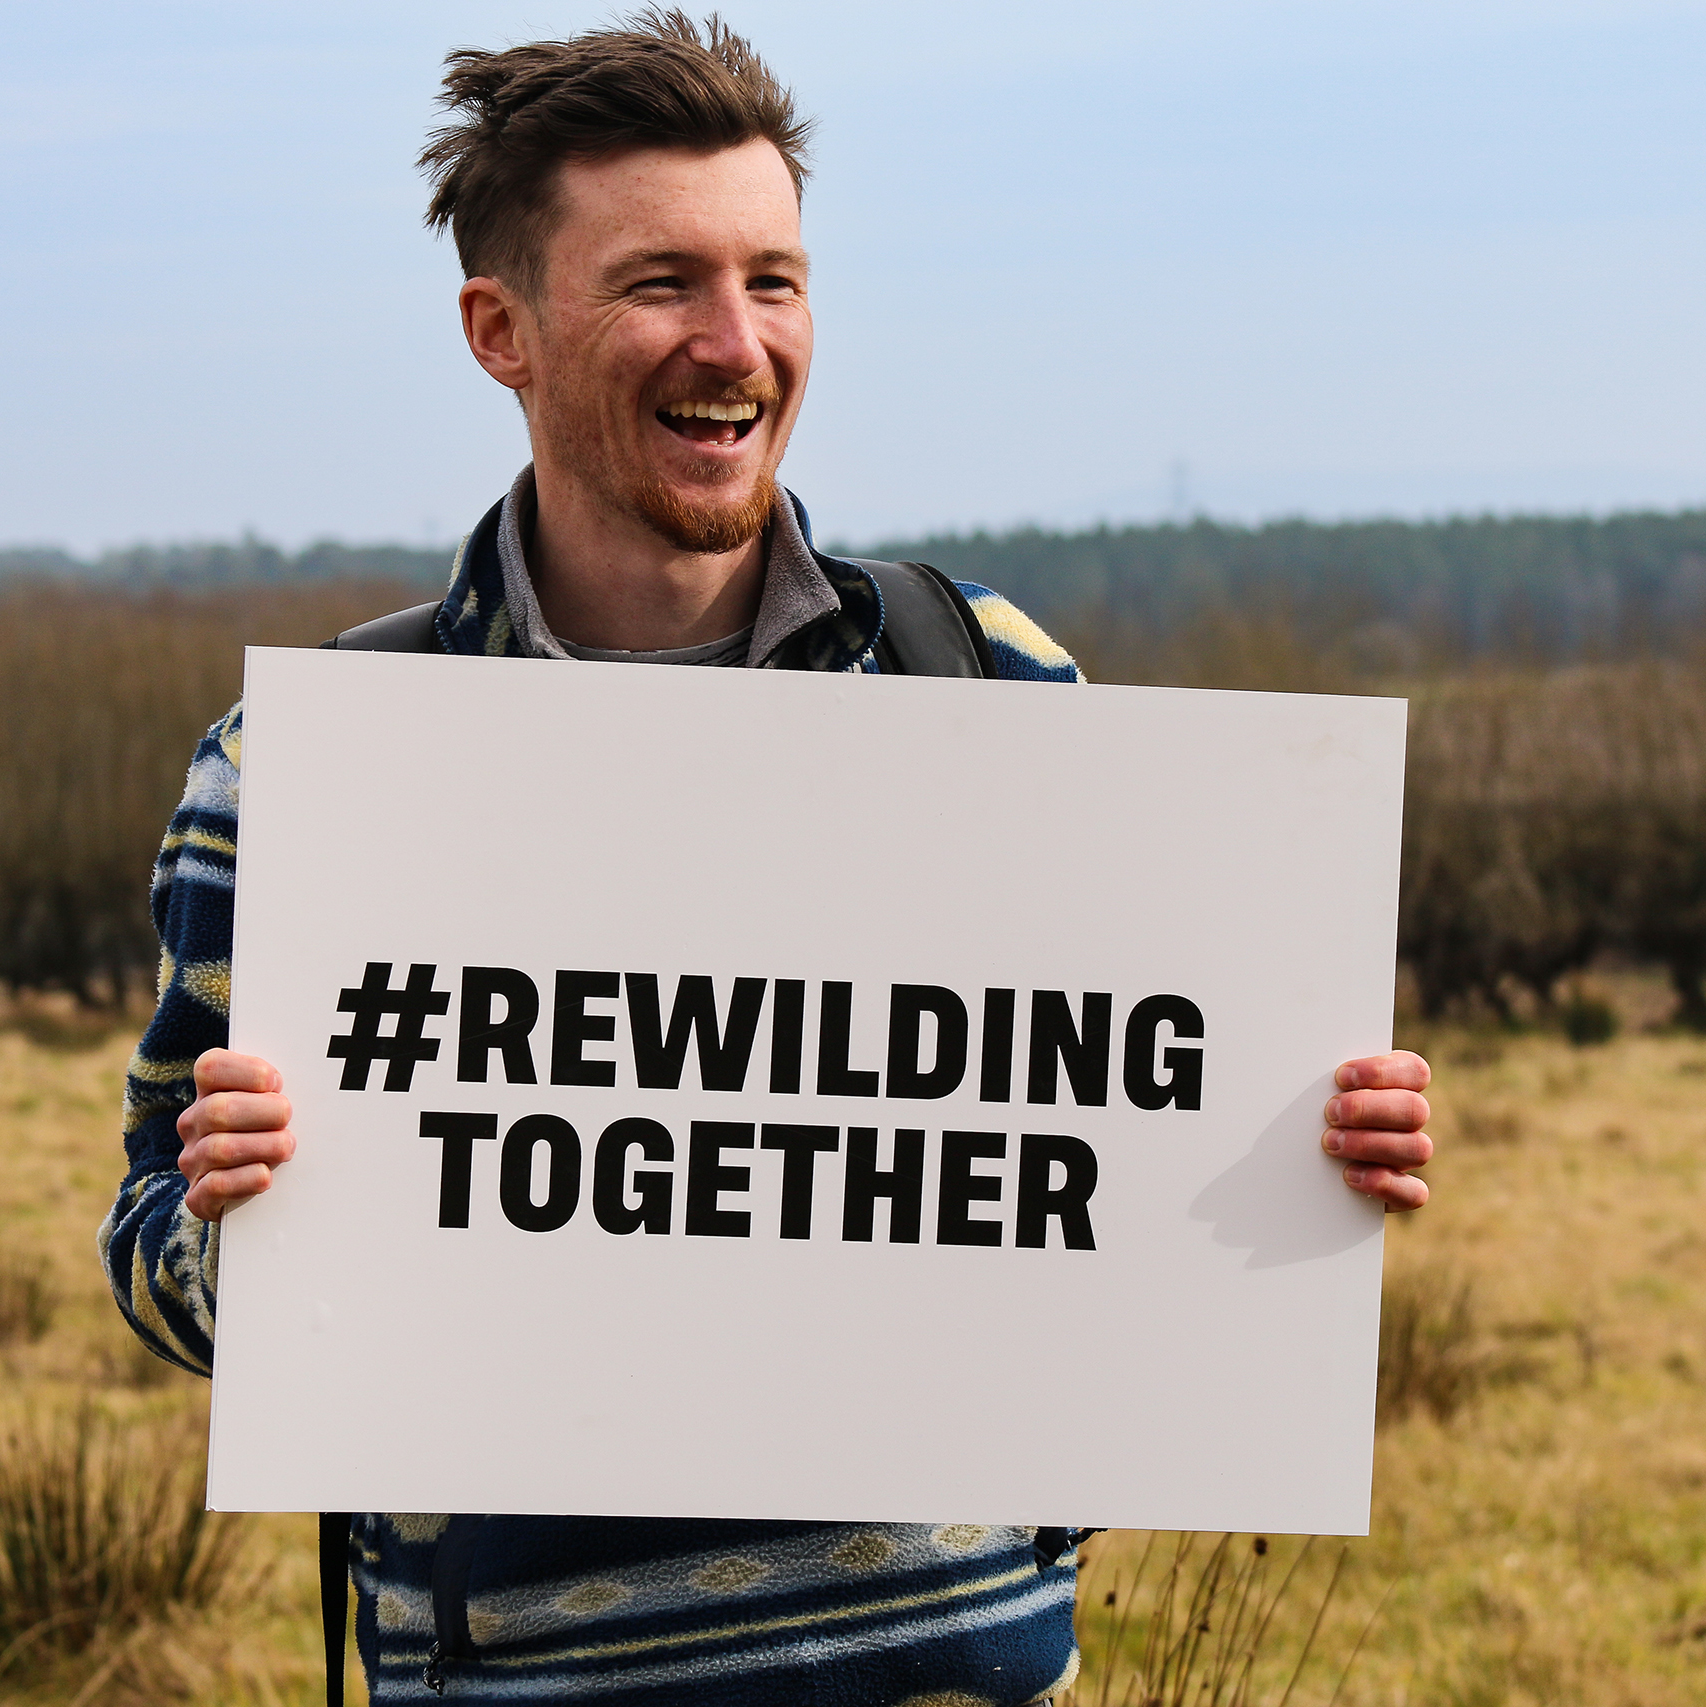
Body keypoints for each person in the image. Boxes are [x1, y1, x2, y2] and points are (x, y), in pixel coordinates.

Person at [100, 12, 1435, 1703]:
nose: (735, 342)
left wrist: (1309, 1142)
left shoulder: (991, 682)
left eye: (777, 280)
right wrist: (246, 1224)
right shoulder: (308, 771)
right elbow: (157, 1255)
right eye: (661, 282)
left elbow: (1122, 1150)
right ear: (498, 332)